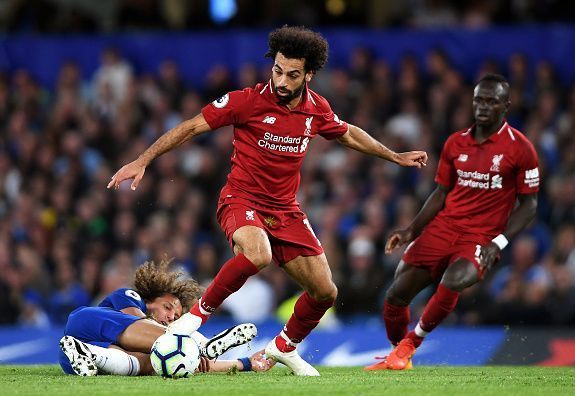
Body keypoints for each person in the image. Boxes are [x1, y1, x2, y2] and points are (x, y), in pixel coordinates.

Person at [108, 25, 428, 376]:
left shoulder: (316, 109)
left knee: (325, 292)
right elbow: (189, 127)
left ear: (309, 74)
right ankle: (195, 317)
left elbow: (348, 133)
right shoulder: (246, 101)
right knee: (258, 254)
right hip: (240, 199)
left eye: (292, 74)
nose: (282, 80)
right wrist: (143, 160)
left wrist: (394, 155)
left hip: (285, 210)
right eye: (277, 70)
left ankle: (284, 348)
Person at [365, 74, 539, 371]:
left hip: (481, 237)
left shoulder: (521, 149)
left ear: (506, 106)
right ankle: (397, 355)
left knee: (453, 281)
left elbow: (529, 205)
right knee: (395, 295)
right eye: (478, 100)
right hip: (442, 229)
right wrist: (411, 230)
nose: (483, 107)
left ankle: (411, 344)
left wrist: (497, 242)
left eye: (491, 101)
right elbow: (440, 193)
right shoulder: (455, 143)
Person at [59, 259, 273, 376]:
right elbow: (139, 325)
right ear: (150, 300)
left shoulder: (163, 347)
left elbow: (195, 364)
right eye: (168, 307)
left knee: (155, 364)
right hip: (83, 324)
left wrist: (246, 363)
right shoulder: (129, 297)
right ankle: (203, 344)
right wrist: (194, 346)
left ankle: (89, 354)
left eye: (177, 316)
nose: (171, 316)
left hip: (72, 351)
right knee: (171, 346)